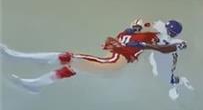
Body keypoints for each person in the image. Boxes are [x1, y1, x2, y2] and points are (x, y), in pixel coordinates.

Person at [2, 18, 193, 99]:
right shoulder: (137, 31)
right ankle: (35, 84)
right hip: (112, 59)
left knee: (70, 58)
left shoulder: (155, 38)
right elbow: (133, 29)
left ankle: (16, 57)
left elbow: (167, 48)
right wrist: (135, 30)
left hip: (114, 62)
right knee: (72, 66)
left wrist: (145, 45)